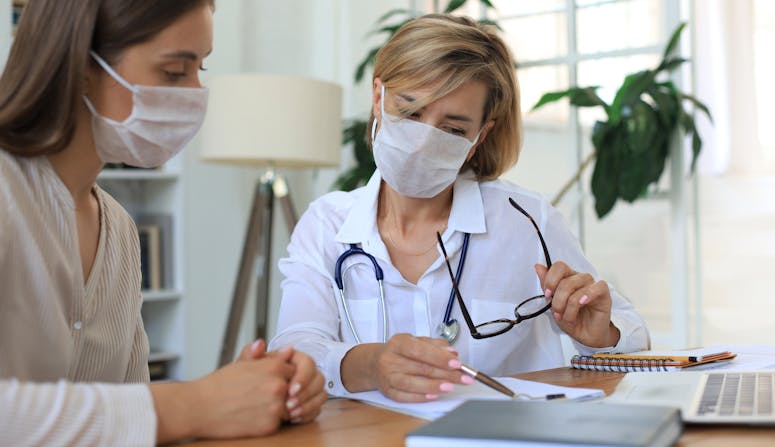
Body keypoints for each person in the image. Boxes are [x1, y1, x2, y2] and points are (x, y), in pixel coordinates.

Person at [269, 14, 650, 403]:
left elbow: (633, 335)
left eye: (452, 129)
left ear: (479, 135)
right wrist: (372, 364)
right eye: (411, 112)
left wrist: (603, 335)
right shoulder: (326, 223)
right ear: (378, 97)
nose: (421, 143)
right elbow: (296, 349)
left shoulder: (527, 221)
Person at [0, 0, 326, 444]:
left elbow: (129, 413)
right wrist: (193, 404)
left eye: (200, 71)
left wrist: (257, 393)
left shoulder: (118, 229)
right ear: (78, 67)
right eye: (174, 72)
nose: (194, 95)